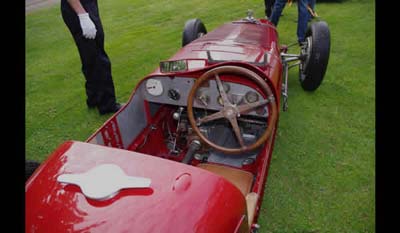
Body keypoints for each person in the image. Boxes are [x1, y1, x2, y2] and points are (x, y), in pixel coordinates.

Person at [61, 0, 121, 115]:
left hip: (84, 6)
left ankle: (94, 98)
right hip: (80, 8)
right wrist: (82, 15)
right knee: (98, 58)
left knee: (89, 56)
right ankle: (107, 105)